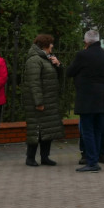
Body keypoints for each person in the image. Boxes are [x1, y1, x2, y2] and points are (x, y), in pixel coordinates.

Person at [66, 29, 104, 172]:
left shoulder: (83, 55)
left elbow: (70, 72)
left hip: (87, 98)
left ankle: (92, 161)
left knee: (87, 130)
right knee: (99, 130)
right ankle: (98, 157)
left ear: (86, 42)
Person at [21, 34, 65, 167]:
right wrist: (38, 102)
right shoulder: (34, 60)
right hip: (40, 102)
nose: (52, 46)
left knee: (48, 130)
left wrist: (58, 65)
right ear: (45, 45)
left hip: (50, 101)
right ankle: (30, 158)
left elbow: (58, 77)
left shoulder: (46, 59)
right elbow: (34, 83)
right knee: (36, 130)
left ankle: (45, 157)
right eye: (51, 44)